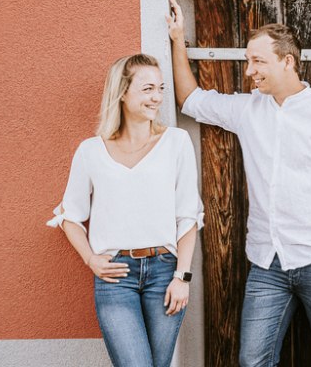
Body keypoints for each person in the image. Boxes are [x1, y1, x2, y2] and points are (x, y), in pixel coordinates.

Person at [166, 0, 311, 367]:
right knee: (253, 360)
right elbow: (190, 100)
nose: (249, 71)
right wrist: (177, 39)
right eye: (248, 61)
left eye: (258, 61)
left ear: (287, 61)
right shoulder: (248, 110)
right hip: (268, 263)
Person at [46, 53, 204, 367]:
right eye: (147, 89)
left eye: (160, 88)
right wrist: (91, 259)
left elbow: (188, 216)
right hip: (115, 277)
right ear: (122, 92)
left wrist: (182, 277)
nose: (157, 97)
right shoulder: (91, 151)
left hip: (165, 273)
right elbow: (70, 216)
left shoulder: (176, 142)